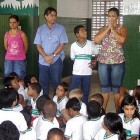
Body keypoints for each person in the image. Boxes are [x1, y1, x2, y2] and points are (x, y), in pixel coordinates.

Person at [94, 7, 128, 113]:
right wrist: (107, 29)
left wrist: (113, 29)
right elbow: (96, 40)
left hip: (117, 63)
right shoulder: (103, 28)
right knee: (105, 89)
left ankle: (118, 111)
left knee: (116, 89)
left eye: (113, 16)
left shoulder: (122, 28)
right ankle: (103, 111)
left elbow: (122, 40)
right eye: (109, 16)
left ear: (117, 17)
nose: (111, 18)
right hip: (103, 62)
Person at [34, 7, 68, 95]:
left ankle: (56, 103)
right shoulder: (40, 29)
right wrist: (45, 57)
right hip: (43, 60)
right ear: (46, 16)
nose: (54, 17)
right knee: (43, 83)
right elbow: (38, 45)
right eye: (51, 15)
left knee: (57, 83)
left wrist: (52, 55)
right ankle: (44, 102)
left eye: (55, 15)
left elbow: (62, 44)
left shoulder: (61, 28)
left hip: (56, 59)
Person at [70, 25, 99, 104]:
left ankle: (85, 107)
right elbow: (73, 59)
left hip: (87, 72)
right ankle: (73, 107)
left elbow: (96, 53)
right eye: (82, 30)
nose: (85, 31)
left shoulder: (91, 44)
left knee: (85, 92)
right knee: (73, 92)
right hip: (76, 72)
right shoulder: (73, 46)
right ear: (77, 34)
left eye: (85, 30)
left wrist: (94, 61)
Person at [4, 15, 28, 80]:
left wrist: (21, 54)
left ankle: (19, 90)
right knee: (8, 75)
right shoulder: (7, 34)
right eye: (10, 22)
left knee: (20, 76)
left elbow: (26, 46)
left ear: (18, 23)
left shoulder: (22, 34)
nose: (12, 24)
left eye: (14, 22)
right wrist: (12, 53)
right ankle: (8, 90)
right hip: (9, 59)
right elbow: (6, 46)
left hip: (20, 59)